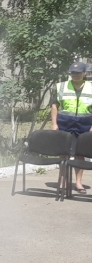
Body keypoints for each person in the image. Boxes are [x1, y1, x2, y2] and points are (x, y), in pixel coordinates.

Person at [51, 61, 92, 193]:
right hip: (65, 123)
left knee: (80, 154)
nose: (75, 75)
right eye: (73, 72)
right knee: (64, 153)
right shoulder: (60, 86)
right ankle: (63, 181)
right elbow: (54, 106)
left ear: (84, 73)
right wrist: (54, 123)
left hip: (84, 124)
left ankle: (78, 183)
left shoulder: (91, 87)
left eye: (78, 72)